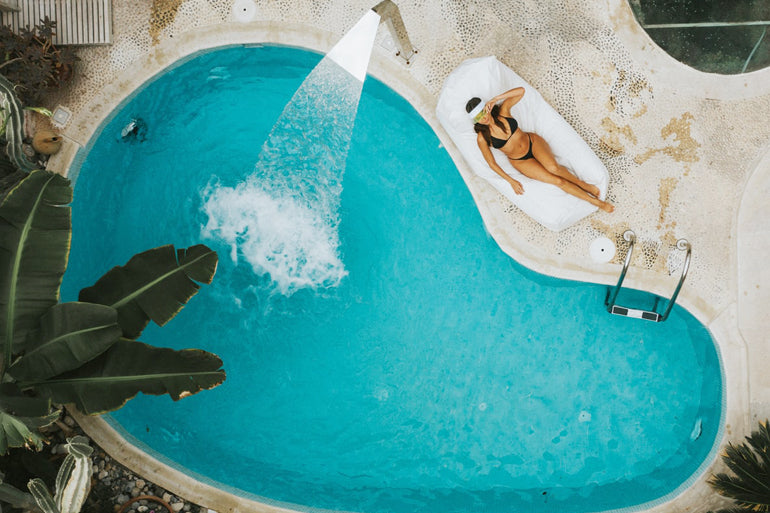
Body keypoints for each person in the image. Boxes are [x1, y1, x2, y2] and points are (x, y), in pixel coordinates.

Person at [466, 88, 614, 213]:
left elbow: (521, 91)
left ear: (487, 108)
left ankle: (584, 185)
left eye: (482, 112)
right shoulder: (482, 137)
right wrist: (511, 181)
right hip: (521, 161)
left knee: (553, 168)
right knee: (558, 181)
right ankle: (597, 203)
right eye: (478, 117)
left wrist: (496, 98)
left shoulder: (503, 112)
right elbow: (491, 163)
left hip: (533, 142)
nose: (483, 118)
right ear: (476, 121)